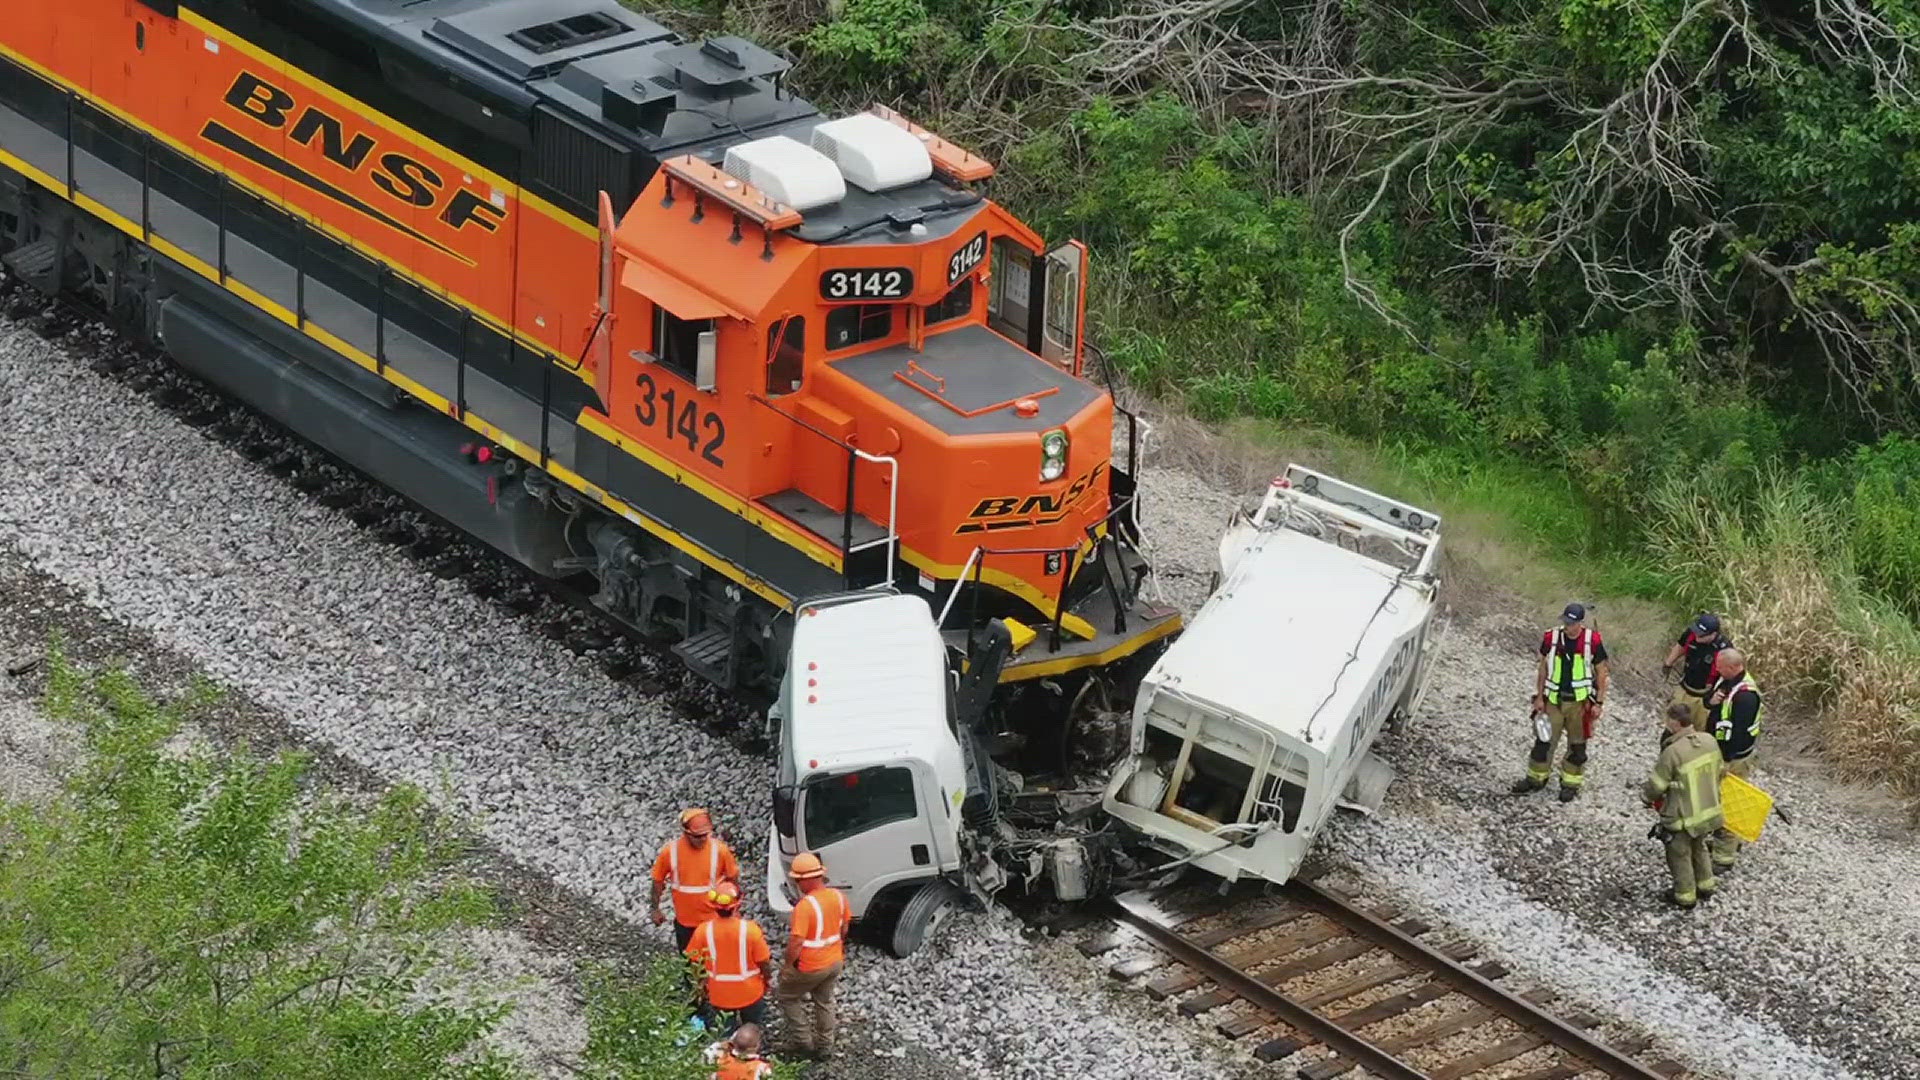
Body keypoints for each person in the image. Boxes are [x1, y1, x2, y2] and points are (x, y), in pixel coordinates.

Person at [1513, 602, 1610, 802]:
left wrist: (1599, 703)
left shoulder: (1592, 641)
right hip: (1553, 701)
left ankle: (1570, 784)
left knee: (1577, 746)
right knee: (1544, 741)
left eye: (1572, 623)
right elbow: (1542, 667)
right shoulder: (1552, 638)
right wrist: (1539, 697)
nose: (1568, 627)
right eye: (1565, 622)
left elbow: (1602, 672)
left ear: (1580, 623)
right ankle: (1535, 779)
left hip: (1579, 704)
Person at [1644, 701, 1725, 909]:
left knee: (1679, 854)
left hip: (1682, 815)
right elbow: (1721, 772)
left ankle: (1685, 895)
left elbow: (1656, 785)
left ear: (1674, 722)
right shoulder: (1709, 741)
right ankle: (1706, 885)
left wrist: (1646, 798)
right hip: (1707, 810)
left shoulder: (1672, 751)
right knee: (1699, 847)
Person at [777, 852, 851, 1061]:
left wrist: (788, 967)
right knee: (824, 1001)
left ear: (807, 879)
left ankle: (804, 1043)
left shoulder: (805, 906)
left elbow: (797, 942)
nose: (797, 884)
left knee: (788, 997)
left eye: (798, 880)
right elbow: (844, 928)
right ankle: (825, 1045)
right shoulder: (839, 896)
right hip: (835, 961)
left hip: (810, 966)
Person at [686, 884, 774, 1030]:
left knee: (724, 1034)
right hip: (750, 992)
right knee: (752, 1031)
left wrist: (701, 987)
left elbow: (694, 963)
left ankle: (727, 1051)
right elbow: (764, 962)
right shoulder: (750, 930)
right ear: (738, 905)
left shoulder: (703, 931)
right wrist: (767, 980)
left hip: (720, 994)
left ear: (713, 906)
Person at [651, 808, 741, 951]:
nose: (703, 839)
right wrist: (655, 909)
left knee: (715, 964)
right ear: (686, 833)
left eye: (706, 834)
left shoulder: (720, 850)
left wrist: (734, 908)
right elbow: (657, 881)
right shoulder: (670, 852)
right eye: (698, 836)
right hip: (686, 923)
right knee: (690, 965)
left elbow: (733, 880)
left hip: (714, 921)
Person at [1704, 647, 1761, 870]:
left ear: (1734, 667)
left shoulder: (1746, 696)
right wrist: (1712, 701)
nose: (1716, 670)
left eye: (1721, 667)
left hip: (1734, 759)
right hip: (1721, 753)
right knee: (1717, 799)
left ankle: (1724, 857)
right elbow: (1708, 702)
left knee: (1728, 805)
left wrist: (1725, 762)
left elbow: (1739, 734)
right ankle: (1726, 844)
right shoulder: (1726, 680)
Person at [1663, 612, 1732, 732]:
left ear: (1713, 634)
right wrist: (1668, 663)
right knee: (1673, 724)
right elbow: (1681, 645)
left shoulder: (1723, 649)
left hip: (1704, 697)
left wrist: (1718, 696)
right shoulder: (1691, 634)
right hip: (1684, 688)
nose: (1697, 637)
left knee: (1701, 730)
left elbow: (1730, 675)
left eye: (1701, 635)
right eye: (1696, 633)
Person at [704, 1022, 776, 1080]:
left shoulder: (719, 1055)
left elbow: (711, 1050)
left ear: (733, 1041)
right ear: (757, 1045)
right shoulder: (762, 1068)